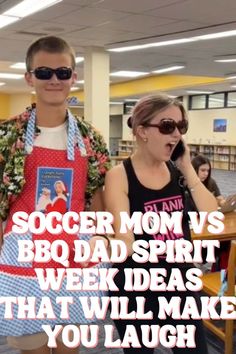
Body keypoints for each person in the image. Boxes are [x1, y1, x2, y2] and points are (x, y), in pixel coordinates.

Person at [0, 36, 111, 354]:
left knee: (67, 349)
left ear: (73, 78)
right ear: (29, 77)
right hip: (24, 260)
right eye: (44, 72)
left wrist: (101, 236)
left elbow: (97, 195)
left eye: (62, 73)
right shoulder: (8, 137)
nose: (53, 80)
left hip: (74, 260)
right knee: (33, 348)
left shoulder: (90, 138)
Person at [105, 94, 218, 354]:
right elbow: (126, 239)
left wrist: (188, 169)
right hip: (136, 287)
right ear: (142, 130)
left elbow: (212, 215)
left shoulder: (179, 173)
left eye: (182, 126)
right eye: (168, 126)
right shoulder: (119, 176)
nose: (177, 134)